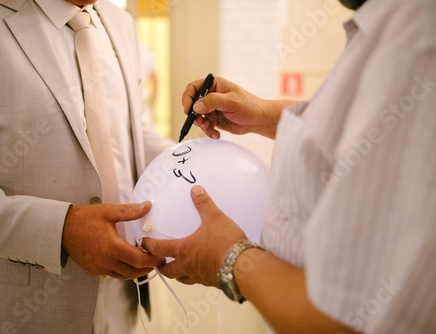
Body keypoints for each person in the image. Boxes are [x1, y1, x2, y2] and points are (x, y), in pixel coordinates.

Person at [143, 0, 436, 333]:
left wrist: (230, 256)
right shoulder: (384, 29)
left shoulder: (418, 44)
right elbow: (360, 131)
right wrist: (263, 114)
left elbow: (343, 322)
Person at [0, 0, 172, 332]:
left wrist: (197, 166)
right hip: (19, 312)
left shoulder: (120, 22)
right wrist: (61, 230)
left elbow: (134, 135)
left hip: (123, 304)